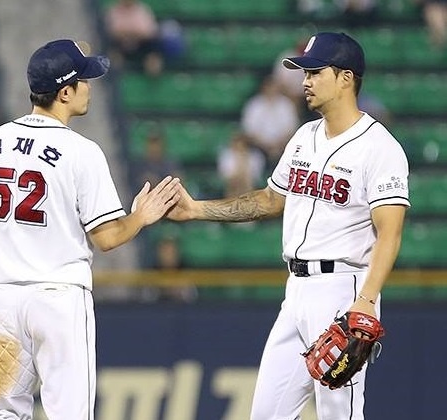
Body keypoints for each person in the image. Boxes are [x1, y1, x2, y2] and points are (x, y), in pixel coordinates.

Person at [166, 32, 410, 419]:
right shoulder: (302, 138)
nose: (305, 81)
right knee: (265, 413)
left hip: (343, 288)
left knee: (339, 415)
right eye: (304, 72)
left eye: (315, 72)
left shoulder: (380, 148)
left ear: (346, 77)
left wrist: (365, 300)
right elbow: (269, 200)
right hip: (295, 290)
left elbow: (390, 232)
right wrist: (197, 210)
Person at [0, 39, 180, 419]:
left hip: (1, 301)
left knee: (2, 411)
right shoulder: (80, 151)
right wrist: (141, 215)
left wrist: (15, 240)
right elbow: (107, 237)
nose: (90, 86)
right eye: (84, 80)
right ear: (65, 92)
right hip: (57, 300)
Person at [240, 74, 300, 168]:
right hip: (259, 147)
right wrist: (266, 146)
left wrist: (279, 144)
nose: (272, 89)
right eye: (269, 87)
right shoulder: (254, 105)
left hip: (282, 146)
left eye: (274, 87)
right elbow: (249, 131)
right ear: (264, 87)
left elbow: (291, 129)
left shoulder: (286, 104)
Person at [105, 0, 164, 75]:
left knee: (154, 50)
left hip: (141, 44)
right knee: (112, 51)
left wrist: (129, 33)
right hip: (120, 44)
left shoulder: (142, 10)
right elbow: (112, 32)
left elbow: (150, 32)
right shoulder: (112, 10)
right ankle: (113, 79)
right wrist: (133, 33)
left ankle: (153, 80)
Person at [217, 131, 266, 198]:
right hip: (232, 183)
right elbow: (226, 176)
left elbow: (255, 178)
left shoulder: (256, 156)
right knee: (234, 182)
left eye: (243, 146)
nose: (240, 148)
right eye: (237, 146)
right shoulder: (227, 155)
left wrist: (244, 162)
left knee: (247, 181)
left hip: (249, 184)